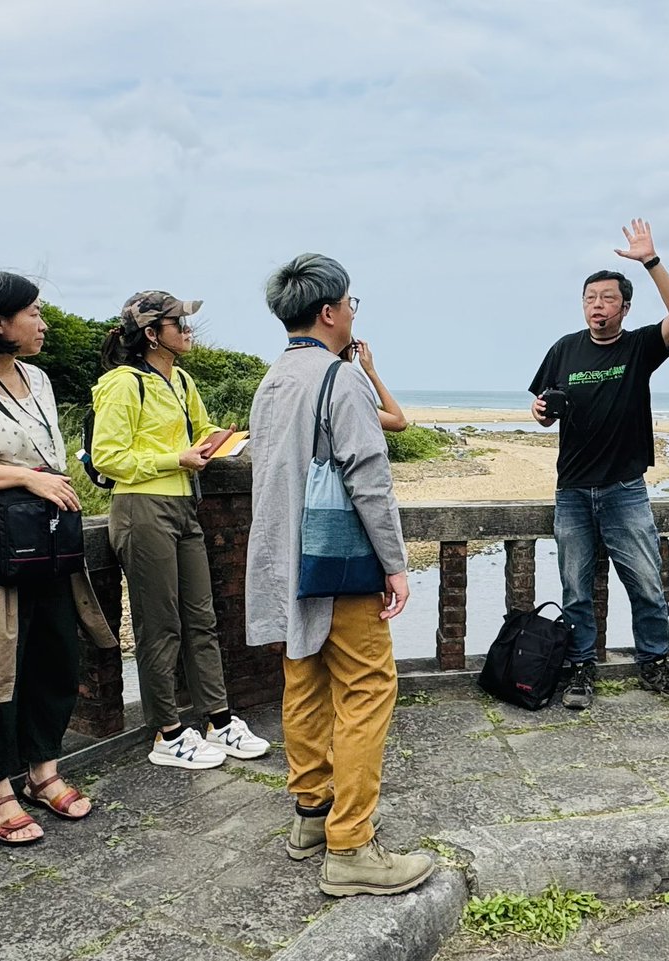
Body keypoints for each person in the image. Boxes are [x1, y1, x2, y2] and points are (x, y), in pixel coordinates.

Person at [247, 253, 433, 898]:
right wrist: (396, 565)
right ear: (329, 311)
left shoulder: (272, 380)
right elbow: (369, 482)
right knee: (366, 689)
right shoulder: (340, 380)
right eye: (352, 301)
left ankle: (310, 817)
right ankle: (352, 845)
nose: (354, 311)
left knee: (303, 679)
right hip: (338, 561)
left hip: (283, 558)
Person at [90, 292, 269, 770]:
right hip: (142, 508)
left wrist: (223, 439)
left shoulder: (182, 379)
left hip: (185, 506)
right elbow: (108, 457)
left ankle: (218, 718)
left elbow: (199, 427)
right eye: (179, 323)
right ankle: (167, 733)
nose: (189, 330)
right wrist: (177, 459)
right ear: (152, 334)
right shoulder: (122, 383)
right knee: (159, 625)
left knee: (202, 619)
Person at [529, 219, 669, 710]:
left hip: (625, 489)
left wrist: (650, 260)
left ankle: (654, 664)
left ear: (624, 305)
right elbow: (542, 406)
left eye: (605, 298)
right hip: (573, 491)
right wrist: (539, 413)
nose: (596, 305)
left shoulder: (640, 347)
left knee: (646, 585)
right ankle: (581, 670)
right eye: (589, 298)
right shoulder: (564, 348)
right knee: (575, 589)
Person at [0, 271, 118, 846]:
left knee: (53, 653)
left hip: (48, 542)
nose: (42, 322)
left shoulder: (36, 379)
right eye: (32, 312)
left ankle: (43, 770)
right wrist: (22, 478)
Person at [340, 339, 407, 432]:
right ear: (347, 351)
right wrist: (370, 370)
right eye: (353, 347)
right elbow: (399, 422)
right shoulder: (346, 391)